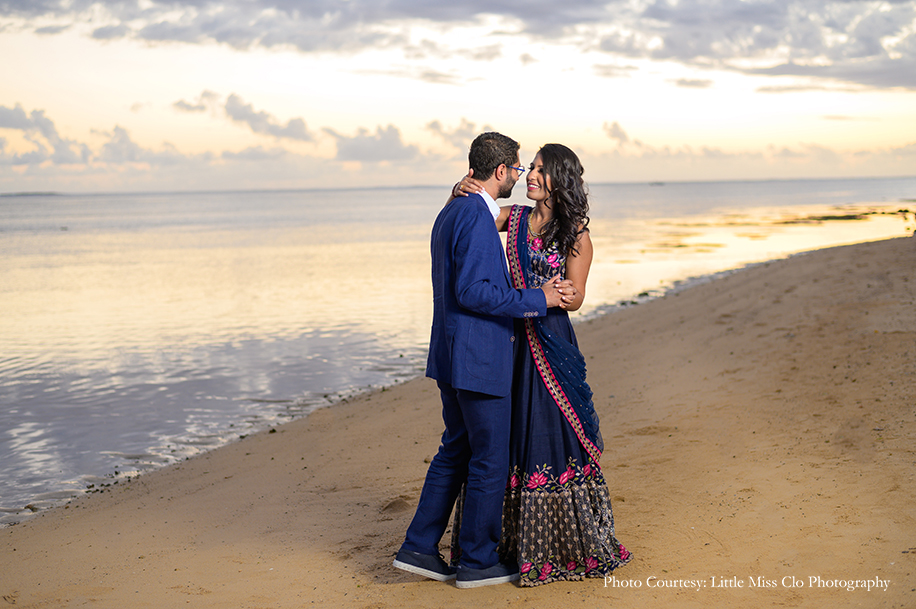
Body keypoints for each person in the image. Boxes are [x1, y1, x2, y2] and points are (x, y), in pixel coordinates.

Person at [393, 133, 572, 589]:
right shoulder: (473, 214)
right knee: (490, 458)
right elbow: (474, 292)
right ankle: (476, 560)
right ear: (500, 171)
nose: (520, 176)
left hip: (451, 354)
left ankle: (418, 547)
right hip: (478, 359)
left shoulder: (453, 209)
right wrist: (540, 297)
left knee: (456, 450)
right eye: (518, 168)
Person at [450, 143, 631, 585]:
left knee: (552, 434)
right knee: (507, 439)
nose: (530, 175)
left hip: (551, 344)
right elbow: (473, 218)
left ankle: (556, 547)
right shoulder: (511, 219)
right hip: (509, 341)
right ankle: (501, 546)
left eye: (540, 169)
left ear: (559, 179)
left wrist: (569, 294)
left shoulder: (576, 234)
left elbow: (578, 295)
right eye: (529, 167)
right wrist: (461, 190)